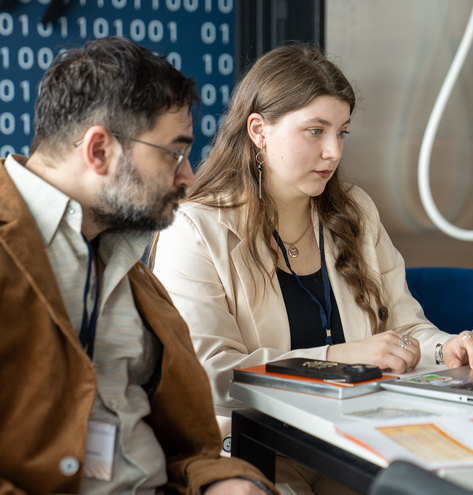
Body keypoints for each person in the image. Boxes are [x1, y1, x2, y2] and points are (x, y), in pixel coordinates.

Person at [152, 44, 473, 494]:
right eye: (315, 131)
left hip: (352, 440)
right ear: (259, 130)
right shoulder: (193, 228)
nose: (333, 152)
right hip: (249, 447)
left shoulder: (355, 211)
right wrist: (337, 358)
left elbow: (404, 331)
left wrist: (450, 348)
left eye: (341, 132)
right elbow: (207, 376)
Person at [0, 37, 275, 495]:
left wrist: (220, 481)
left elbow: (187, 448)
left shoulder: (127, 257)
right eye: (174, 153)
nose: (188, 177)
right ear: (99, 151)